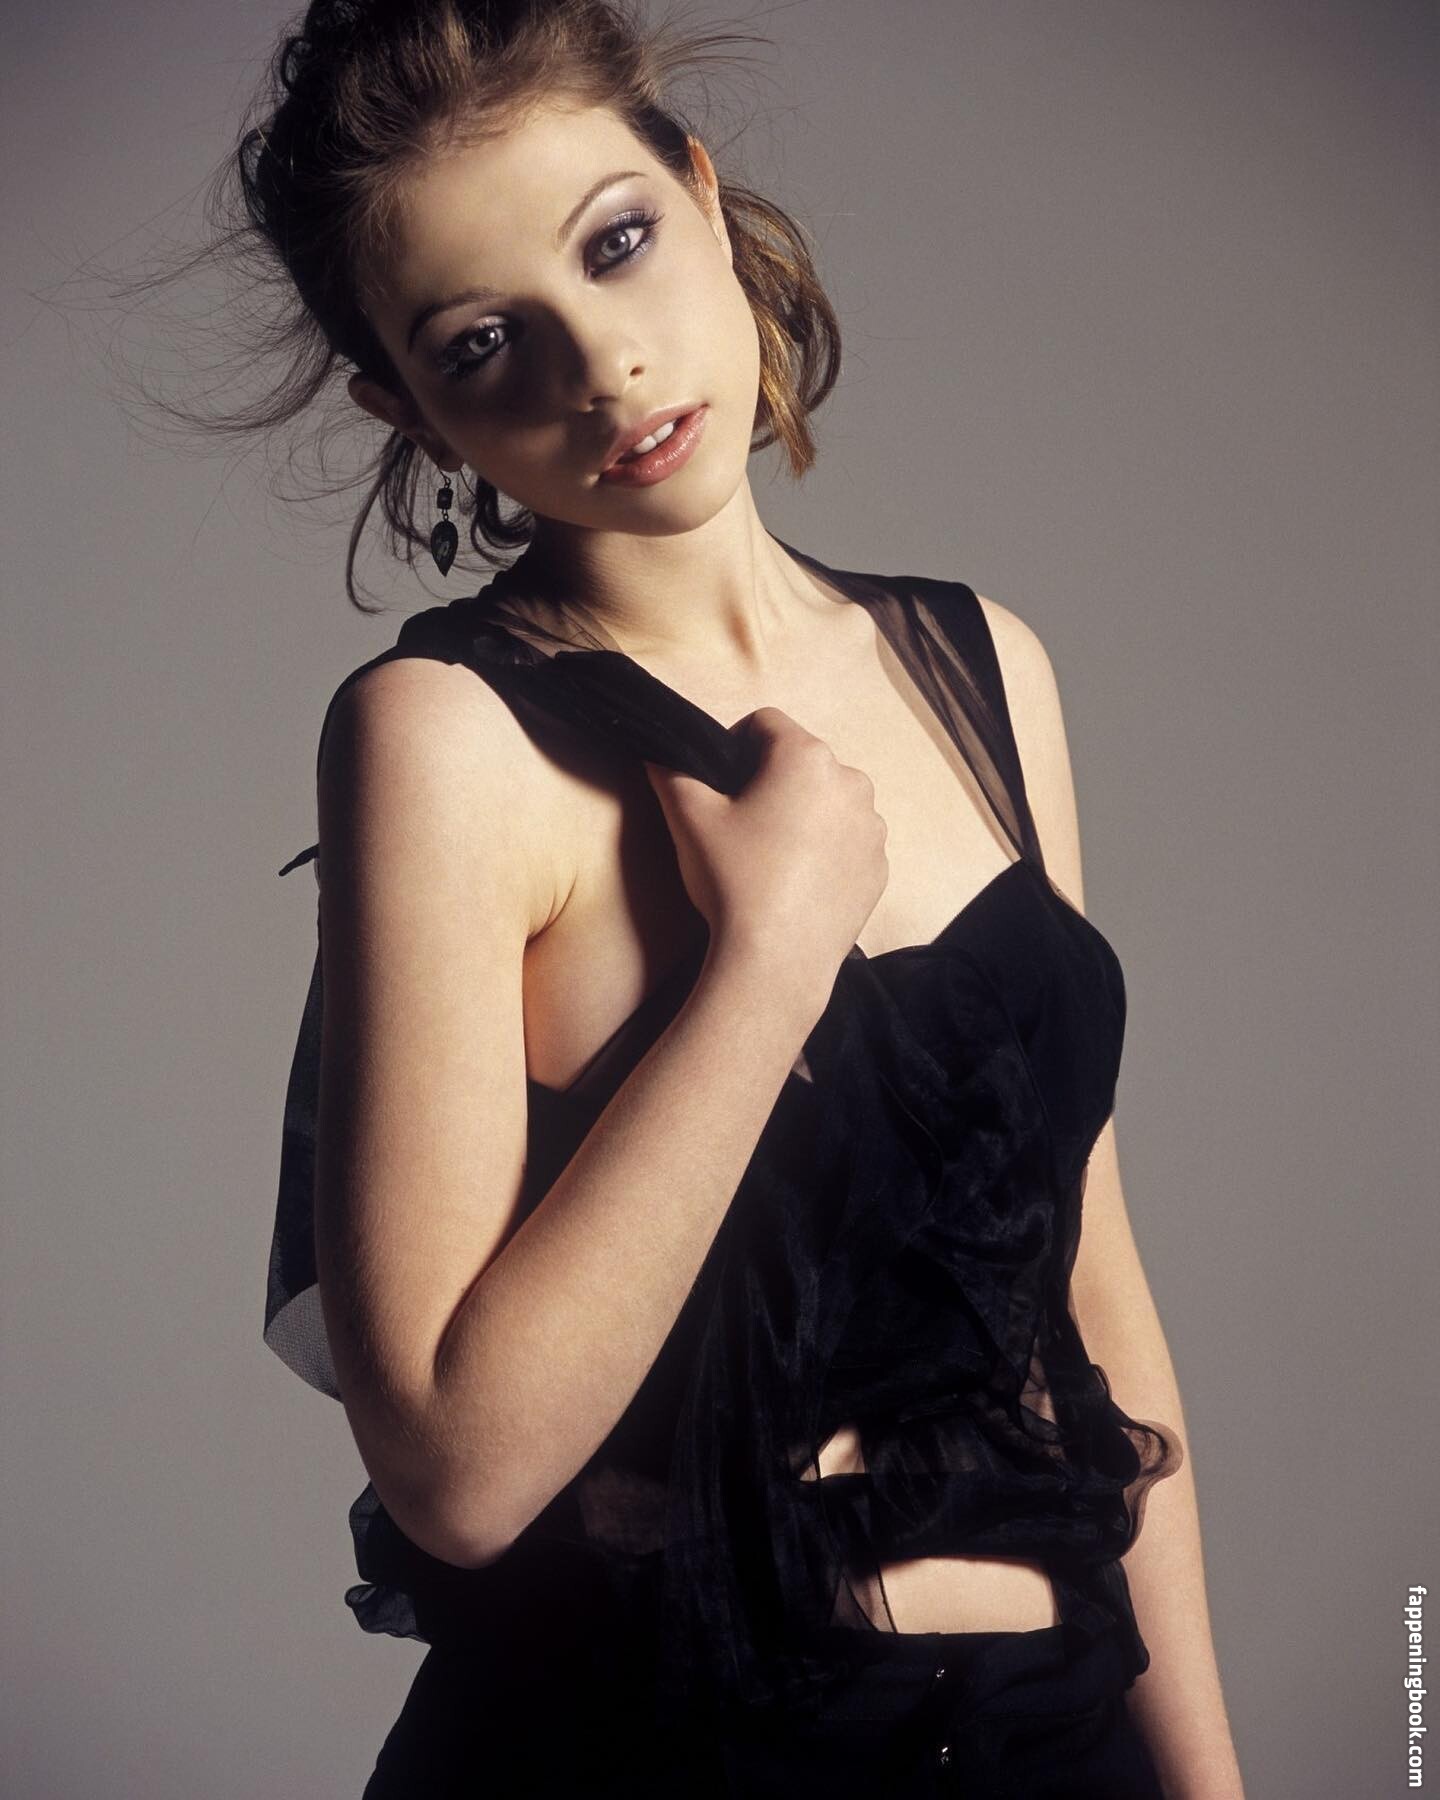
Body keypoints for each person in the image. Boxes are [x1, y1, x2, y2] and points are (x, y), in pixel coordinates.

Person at [240, 2, 1246, 1794]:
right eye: (483, 342)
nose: (604, 367)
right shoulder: (442, 739)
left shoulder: (983, 666)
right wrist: (769, 957)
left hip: (1061, 1725)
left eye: (617, 242)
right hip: (652, 1747)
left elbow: (1092, 1296)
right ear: (407, 404)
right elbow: (458, 1472)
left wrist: (1211, 1781)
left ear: (705, 199)